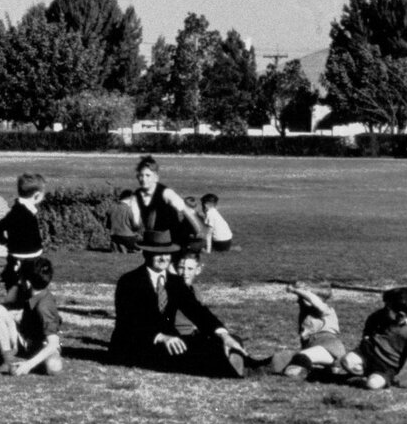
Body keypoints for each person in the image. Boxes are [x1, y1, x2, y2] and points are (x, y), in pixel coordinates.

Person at [109, 235, 251, 378]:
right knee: (200, 352)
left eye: (166, 254)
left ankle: (243, 363)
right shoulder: (129, 281)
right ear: (146, 253)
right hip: (137, 345)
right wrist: (161, 337)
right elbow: (129, 321)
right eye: (158, 254)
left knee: (228, 340)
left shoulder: (175, 281)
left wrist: (223, 335)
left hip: (171, 341)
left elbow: (197, 311)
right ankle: (239, 370)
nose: (163, 258)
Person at [245, 282, 349, 379]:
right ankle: (254, 366)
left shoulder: (327, 310)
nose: (298, 301)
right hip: (316, 347)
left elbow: (315, 301)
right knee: (293, 360)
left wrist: (296, 290)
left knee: (294, 359)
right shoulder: (308, 311)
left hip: (329, 347)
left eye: (301, 298)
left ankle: (255, 370)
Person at [0, 254, 65, 376]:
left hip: (43, 345)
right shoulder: (31, 291)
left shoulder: (44, 307)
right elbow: (8, 305)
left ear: (28, 283)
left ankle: (29, 361)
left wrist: (29, 365)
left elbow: (53, 343)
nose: (19, 281)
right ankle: (8, 360)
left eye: (21, 278)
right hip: (25, 338)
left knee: (54, 366)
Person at [342, 287, 407, 391]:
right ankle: (363, 374)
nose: (384, 308)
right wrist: (366, 336)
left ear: (400, 315)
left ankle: (371, 378)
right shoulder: (383, 314)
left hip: (386, 366)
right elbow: (371, 319)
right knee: (346, 361)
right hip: (368, 353)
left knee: (373, 384)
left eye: (388, 307)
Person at [125, 156, 207, 250]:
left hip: (173, 238)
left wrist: (199, 230)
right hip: (153, 239)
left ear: (156, 178)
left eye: (148, 175)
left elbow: (185, 210)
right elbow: (136, 223)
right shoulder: (136, 196)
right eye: (141, 175)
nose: (143, 179)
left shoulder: (166, 193)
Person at [0, 171, 48, 283]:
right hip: (30, 256)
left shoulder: (15, 211)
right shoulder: (25, 212)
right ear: (36, 195)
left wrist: (6, 242)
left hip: (16, 254)